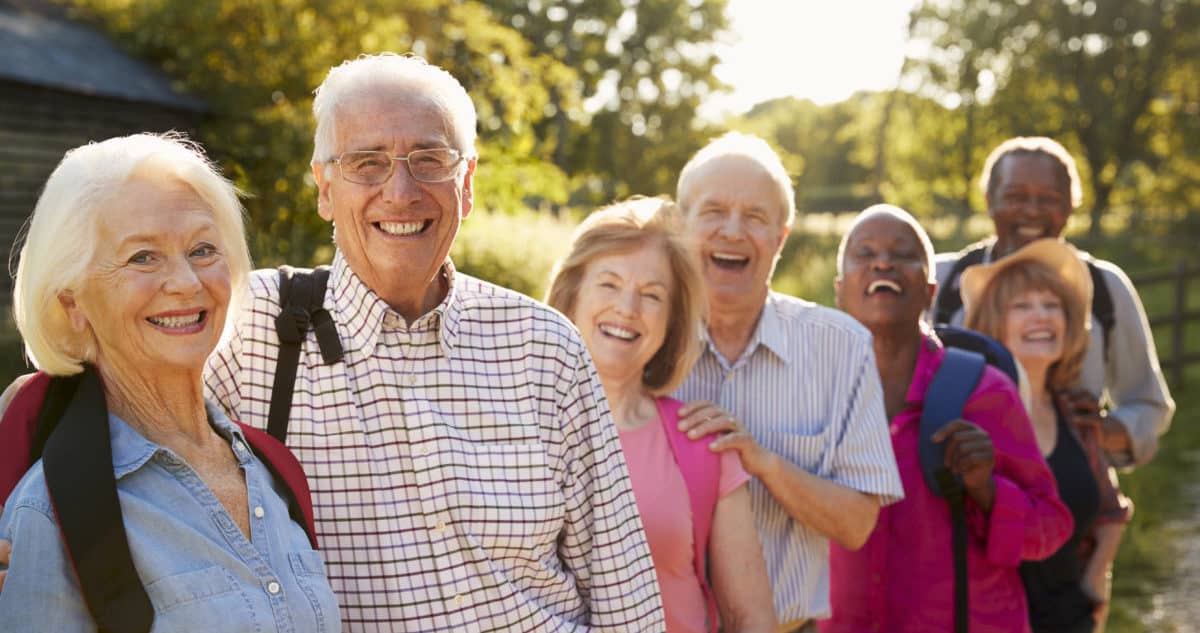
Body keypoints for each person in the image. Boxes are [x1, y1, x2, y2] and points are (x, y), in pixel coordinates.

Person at [200, 53, 663, 630]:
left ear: (465, 185)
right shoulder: (246, 329)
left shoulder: (544, 347)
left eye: (429, 160)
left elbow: (625, 594)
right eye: (367, 163)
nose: (400, 191)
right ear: (325, 189)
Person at [0, 133, 340, 632]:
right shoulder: (50, 511)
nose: (185, 281)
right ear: (72, 302)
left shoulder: (275, 473)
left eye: (203, 249)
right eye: (143, 257)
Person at [669, 132, 905, 632]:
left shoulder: (840, 346)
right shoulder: (637, 338)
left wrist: (767, 464)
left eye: (755, 217)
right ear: (679, 223)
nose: (733, 231)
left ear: (781, 236)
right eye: (713, 211)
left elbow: (857, 524)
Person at [821, 204, 1073, 633]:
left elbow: (1049, 526)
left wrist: (986, 488)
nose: (883, 262)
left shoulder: (982, 390)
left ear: (930, 290)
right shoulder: (814, 393)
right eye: (865, 254)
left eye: (903, 255)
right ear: (840, 290)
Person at [546, 197, 776, 633]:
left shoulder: (702, 441)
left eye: (652, 295)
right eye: (609, 285)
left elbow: (751, 618)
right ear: (572, 294)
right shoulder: (508, 423)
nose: (627, 309)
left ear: (672, 321)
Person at [932, 136, 1174, 468]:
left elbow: (1149, 404)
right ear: (989, 201)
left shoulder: (1105, 287)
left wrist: (1100, 433)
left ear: (1071, 206)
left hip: (1075, 502)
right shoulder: (940, 281)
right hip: (959, 498)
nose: (1032, 211)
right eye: (1016, 197)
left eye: (1050, 198)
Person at [962, 238, 1133, 633]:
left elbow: (1111, 509)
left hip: (1070, 615)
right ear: (993, 324)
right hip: (989, 619)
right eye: (1022, 306)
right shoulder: (970, 415)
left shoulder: (1076, 415)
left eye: (1051, 305)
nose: (1041, 317)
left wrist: (1095, 581)